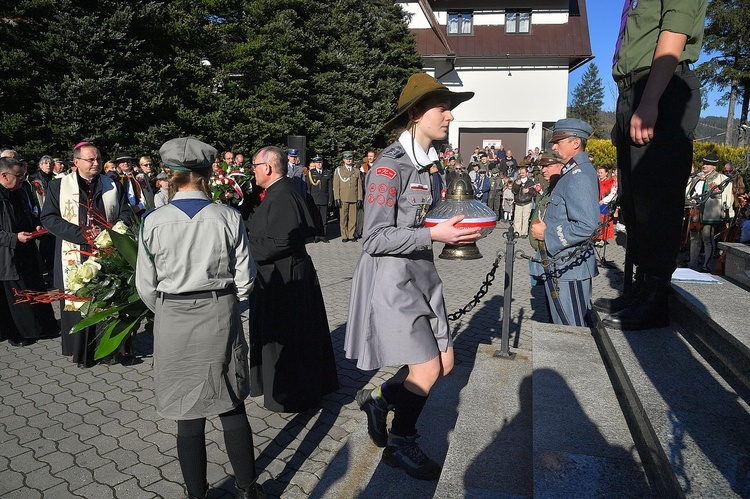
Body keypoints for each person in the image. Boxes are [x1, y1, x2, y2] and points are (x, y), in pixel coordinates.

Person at [345, 73, 480, 480]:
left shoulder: (429, 165)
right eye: (444, 108)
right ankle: (401, 443)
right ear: (418, 113)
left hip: (421, 273)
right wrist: (434, 233)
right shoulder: (389, 167)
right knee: (426, 370)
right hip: (392, 279)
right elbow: (375, 237)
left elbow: (425, 220)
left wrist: (458, 228)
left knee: (446, 363)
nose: (451, 117)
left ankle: (380, 398)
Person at [135, 137, 263, 499]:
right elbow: (245, 277)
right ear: (208, 174)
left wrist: (168, 311)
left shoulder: (153, 221)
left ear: (170, 176)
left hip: (172, 315)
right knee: (230, 402)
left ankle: (196, 494)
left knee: (185, 411)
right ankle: (248, 488)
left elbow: (146, 285)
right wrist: (230, 305)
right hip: (219, 310)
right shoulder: (228, 216)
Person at [595, 0, 707, 330]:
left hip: (663, 85)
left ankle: (655, 300)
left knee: (656, 199)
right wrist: (627, 110)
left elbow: (674, 33)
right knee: (634, 200)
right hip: (636, 90)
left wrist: (649, 101)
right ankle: (641, 289)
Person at [246, 146, 339, 413]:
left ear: (268, 168)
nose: (252, 170)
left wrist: (243, 251)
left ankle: (294, 394)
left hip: (287, 278)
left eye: (254, 165)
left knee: (291, 338)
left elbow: (281, 241)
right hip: (281, 275)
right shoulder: (279, 191)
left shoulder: (284, 194)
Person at [41, 142, 134, 367]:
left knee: (110, 298)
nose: (96, 163)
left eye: (98, 159)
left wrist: (109, 232)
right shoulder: (58, 187)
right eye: (90, 159)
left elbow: (125, 213)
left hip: (107, 249)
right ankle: (82, 351)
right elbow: (49, 218)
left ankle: (111, 349)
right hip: (75, 250)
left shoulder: (112, 184)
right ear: (76, 162)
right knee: (79, 301)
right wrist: (82, 234)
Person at [530, 119, 599, 326]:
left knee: (572, 331)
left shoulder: (580, 176)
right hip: (562, 266)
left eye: (558, 142)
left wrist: (547, 235)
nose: (553, 147)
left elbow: (587, 225)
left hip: (571, 269)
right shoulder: (570, 174)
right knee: (562, 329)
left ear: (575, 143)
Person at [1, 157, 59, 346]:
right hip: (8, 255)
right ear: (4, 175)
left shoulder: (19, 191)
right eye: (18, 176)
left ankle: (45, 327)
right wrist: (13, 238)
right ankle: (20, 334)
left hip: (27, 249)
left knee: (36, 288)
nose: (22, 180)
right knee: (18, 297)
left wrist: (36, 226)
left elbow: (28, 214)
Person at [685, 153, 734, 272]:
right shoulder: (695, 177)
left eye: (708, 164)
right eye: (704, 163)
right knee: (694, 238)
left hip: (710, 213)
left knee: (707, 239)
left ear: (714, 166)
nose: (704, 166)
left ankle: (706, 265)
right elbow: (688, 192)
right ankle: (692, 263)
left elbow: (728, 196)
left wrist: (727, 212)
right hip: (694, 212)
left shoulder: (722, 179)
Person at [28, 155, 57, 280]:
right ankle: (45, 272)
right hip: (40, 214)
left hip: (54, 213)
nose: (48, 165)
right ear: (40, 165)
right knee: (44, 246)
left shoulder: (56, 178)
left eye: (50, 163)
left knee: (53, 245)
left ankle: (52, 271)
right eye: (45, 163)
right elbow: (33, 200)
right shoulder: (33, 180)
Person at [333, 151, 362, 242]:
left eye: (350, 159)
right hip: (343, 198)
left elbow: (359, 186)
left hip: (354, 197)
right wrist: (337, 197)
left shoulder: (356, 171)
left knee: (353, 218)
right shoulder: (339, 170)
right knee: (343, 218)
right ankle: (344, 235)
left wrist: (360, 198)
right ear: (343, 160)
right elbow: (336, 185)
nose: (348, 160)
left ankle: (351, 235)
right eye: (347, 159)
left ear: (352, 160)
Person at [305, 155, 333, 242]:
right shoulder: (310, 173)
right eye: (317, 162)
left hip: (324, 198)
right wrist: (308, 200)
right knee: (315, 218)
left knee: (324, 219)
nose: (319, 164)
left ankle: (323, 235)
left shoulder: (327, 173)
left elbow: (329, 187)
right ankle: (316, 235)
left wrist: (330, 199)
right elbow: (308, 188)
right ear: (315, 164)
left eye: (320, 162)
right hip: (314, 199)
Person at [596, 166, 617, 243]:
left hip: (604, 204)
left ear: (606, 173)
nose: (599, 174)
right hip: (596, 203)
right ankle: (596, 237)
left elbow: (612, 194)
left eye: (601, 173)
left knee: (603, 221)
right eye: (599, 172)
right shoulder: (596, 181)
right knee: (596, 220)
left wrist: (604, 200)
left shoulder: (612, 182)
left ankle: (602, 238)